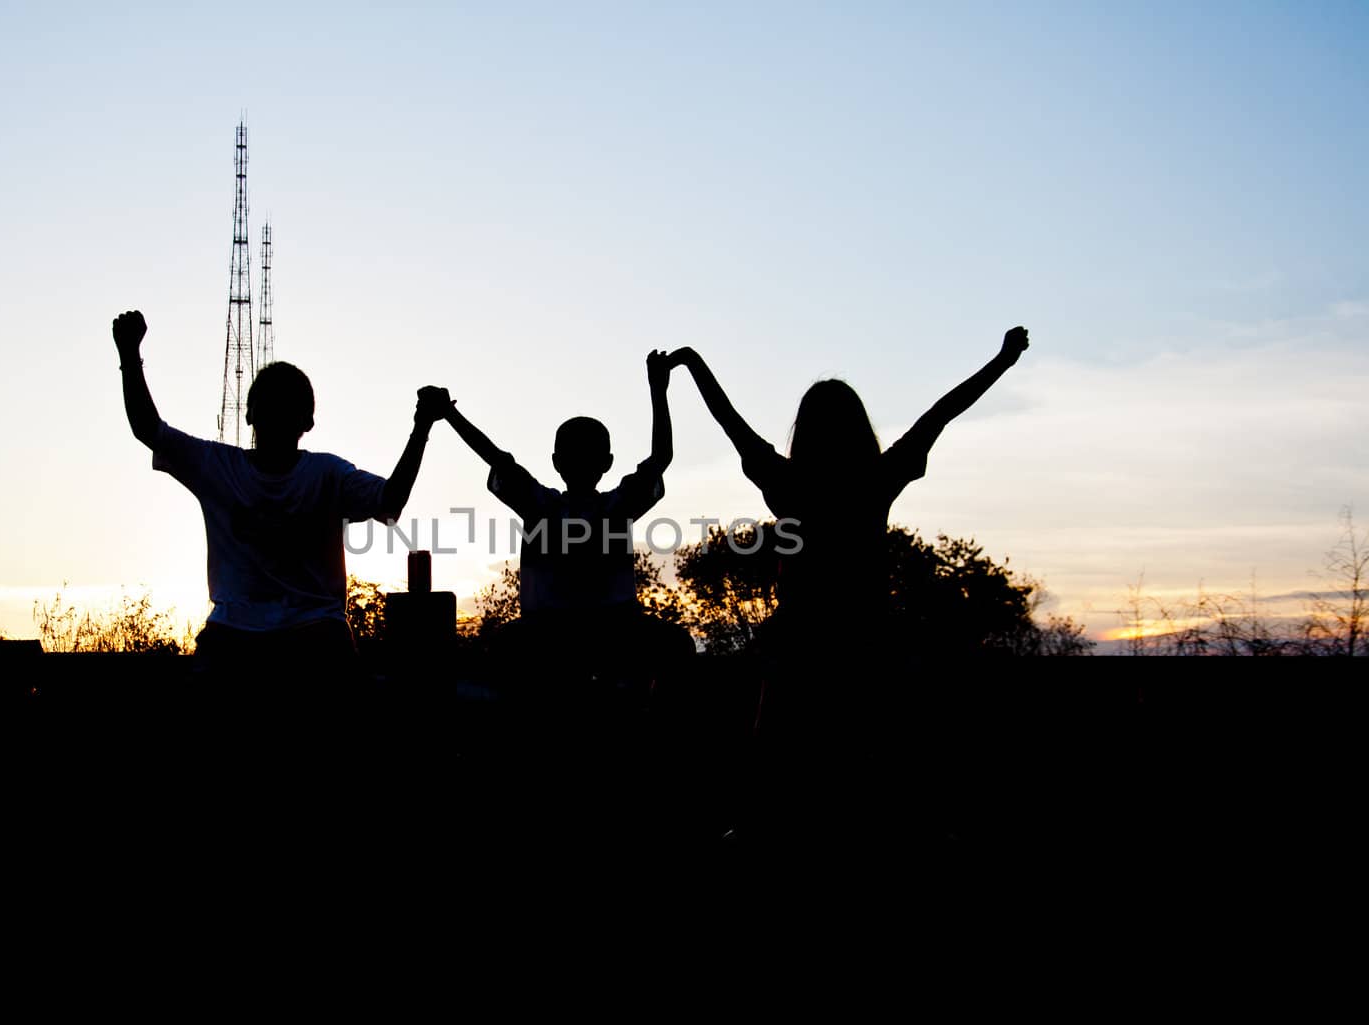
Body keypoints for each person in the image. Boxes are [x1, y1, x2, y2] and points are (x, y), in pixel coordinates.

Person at [670, 327, 1031, 852]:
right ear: (859, 428)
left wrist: (693, 364)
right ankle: (921, 823)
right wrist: (1002, 362)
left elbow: (728, 420)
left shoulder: (786, 479)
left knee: (775, 732)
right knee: (894, 733)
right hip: (868, 630)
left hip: (801, 633)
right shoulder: (879, 474)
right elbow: (942, 411)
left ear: (804, 431)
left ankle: (759, 823)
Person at [111, 308, 448, 687]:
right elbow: (391, 503)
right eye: (274, 404)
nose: (276, 414)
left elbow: (149, 429)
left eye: (284, 405)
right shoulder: (322, 473)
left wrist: (128, 354)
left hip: (263, 639)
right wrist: (421, 428)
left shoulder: (236, 467)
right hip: (295, 639)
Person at [430, 350, 694, 679]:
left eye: (587, 453)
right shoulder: (608, 506)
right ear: (607, 462)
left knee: (677, 645)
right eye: (577, 453)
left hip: (583, 633)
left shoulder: (543, 505)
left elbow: (495, 457)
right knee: (677, 645)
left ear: (556, 461)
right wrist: (658, 390)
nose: (582, 460)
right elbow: (662, 456)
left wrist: (449, 415)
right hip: (567, 634)